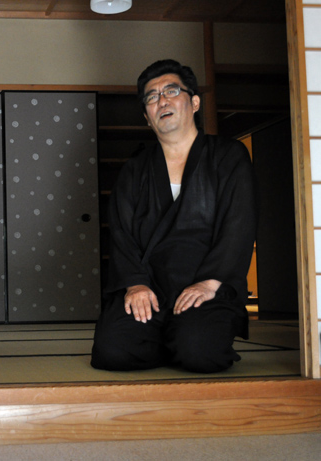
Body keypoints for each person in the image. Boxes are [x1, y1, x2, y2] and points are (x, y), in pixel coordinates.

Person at [91, 59, 257, 373]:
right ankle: (168, 337)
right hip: (150, 287)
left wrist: (209, 284)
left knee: (199, 352)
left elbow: (239, 223)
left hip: (205, 285)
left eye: (171, 91)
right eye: (151, 97)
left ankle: (180, 337)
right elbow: (122, 233)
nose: (161, 100)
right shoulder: (135, 169)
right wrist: (135, 285)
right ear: (146, 116)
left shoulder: (228, 156)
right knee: (112, 351)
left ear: (194, 102)